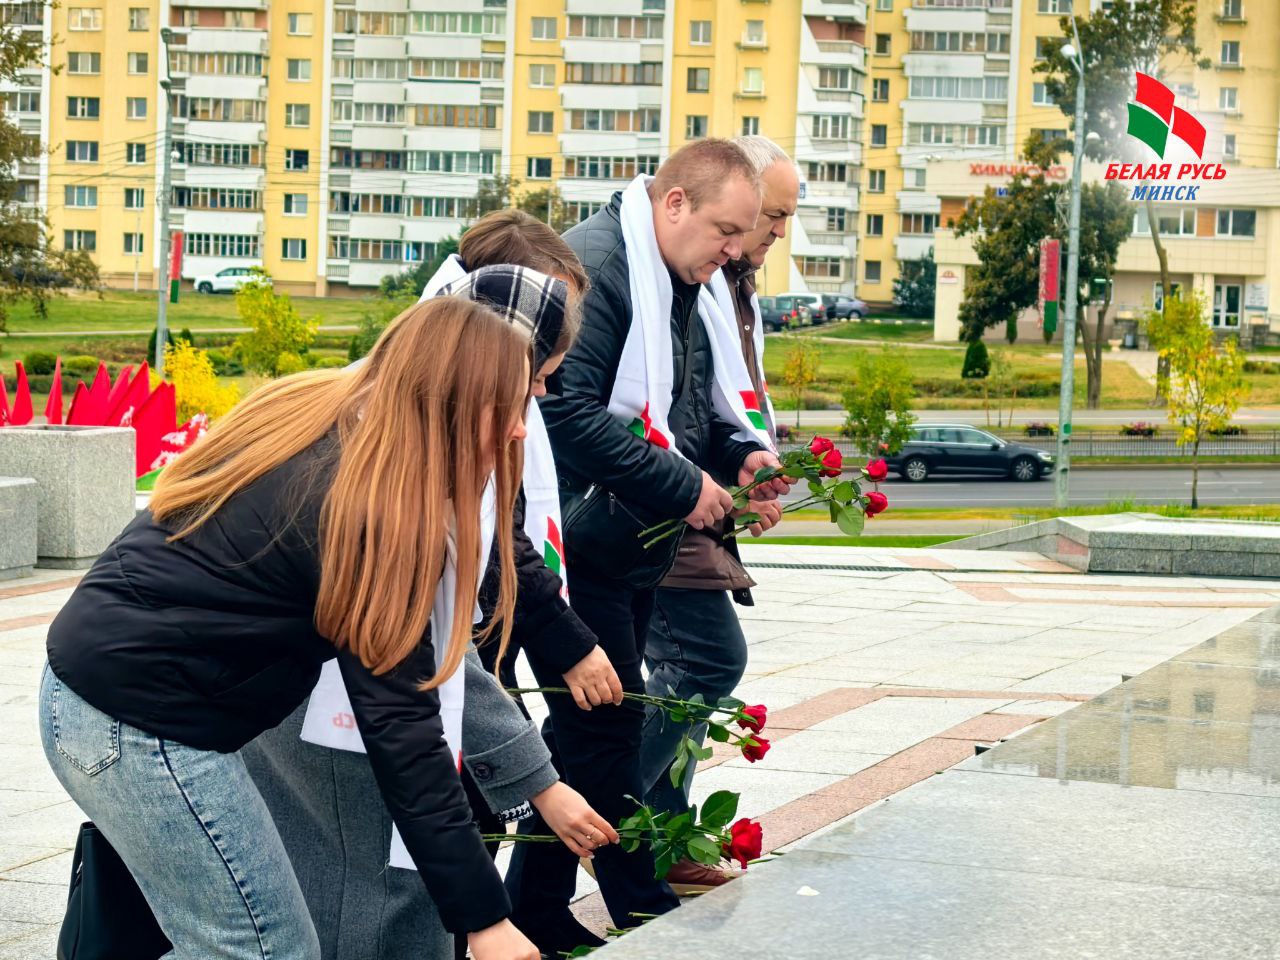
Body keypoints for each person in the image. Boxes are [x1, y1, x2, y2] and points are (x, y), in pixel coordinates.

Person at [39, 297, 543, 960]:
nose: (519, 429)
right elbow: (403, 729)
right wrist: (485, 920)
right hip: (135, 724)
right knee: (264, 949)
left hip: (100, 692)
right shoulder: (370, 509)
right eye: (508, 405)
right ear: (453, 400)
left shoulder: (320, 409)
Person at [242, 251, 622, 960]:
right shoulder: (390, 488)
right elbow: (424, 678)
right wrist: (535, 795)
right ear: (481, 374)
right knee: (372, 897)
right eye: (535, 380)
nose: (534, 411)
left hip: (268, 701)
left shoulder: (382, 430)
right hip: (308, 717)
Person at [504, 138, 791, 955]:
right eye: (727, 229)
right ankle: (630, 905)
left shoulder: (676, 273)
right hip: (572, 543)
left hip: (622, 541)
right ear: (674, 204)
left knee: (597, 728)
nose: (736, 249)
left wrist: (739, 457)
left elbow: (684, 408)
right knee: (604, 726)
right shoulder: (602, 267)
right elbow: (561, 411)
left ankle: (541, 903)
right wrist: (681, 484)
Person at [638, 136, 801, 893]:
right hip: (658, 503)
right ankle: (614, 818)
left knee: (687, 670)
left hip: (692, 496)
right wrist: (707, 475)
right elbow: (663, 404)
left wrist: (746, 460)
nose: (771, 235)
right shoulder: (682, 275)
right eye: (769, 216)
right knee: (703, 661)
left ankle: (657, 832)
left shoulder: (729, 281)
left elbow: (718, 401)